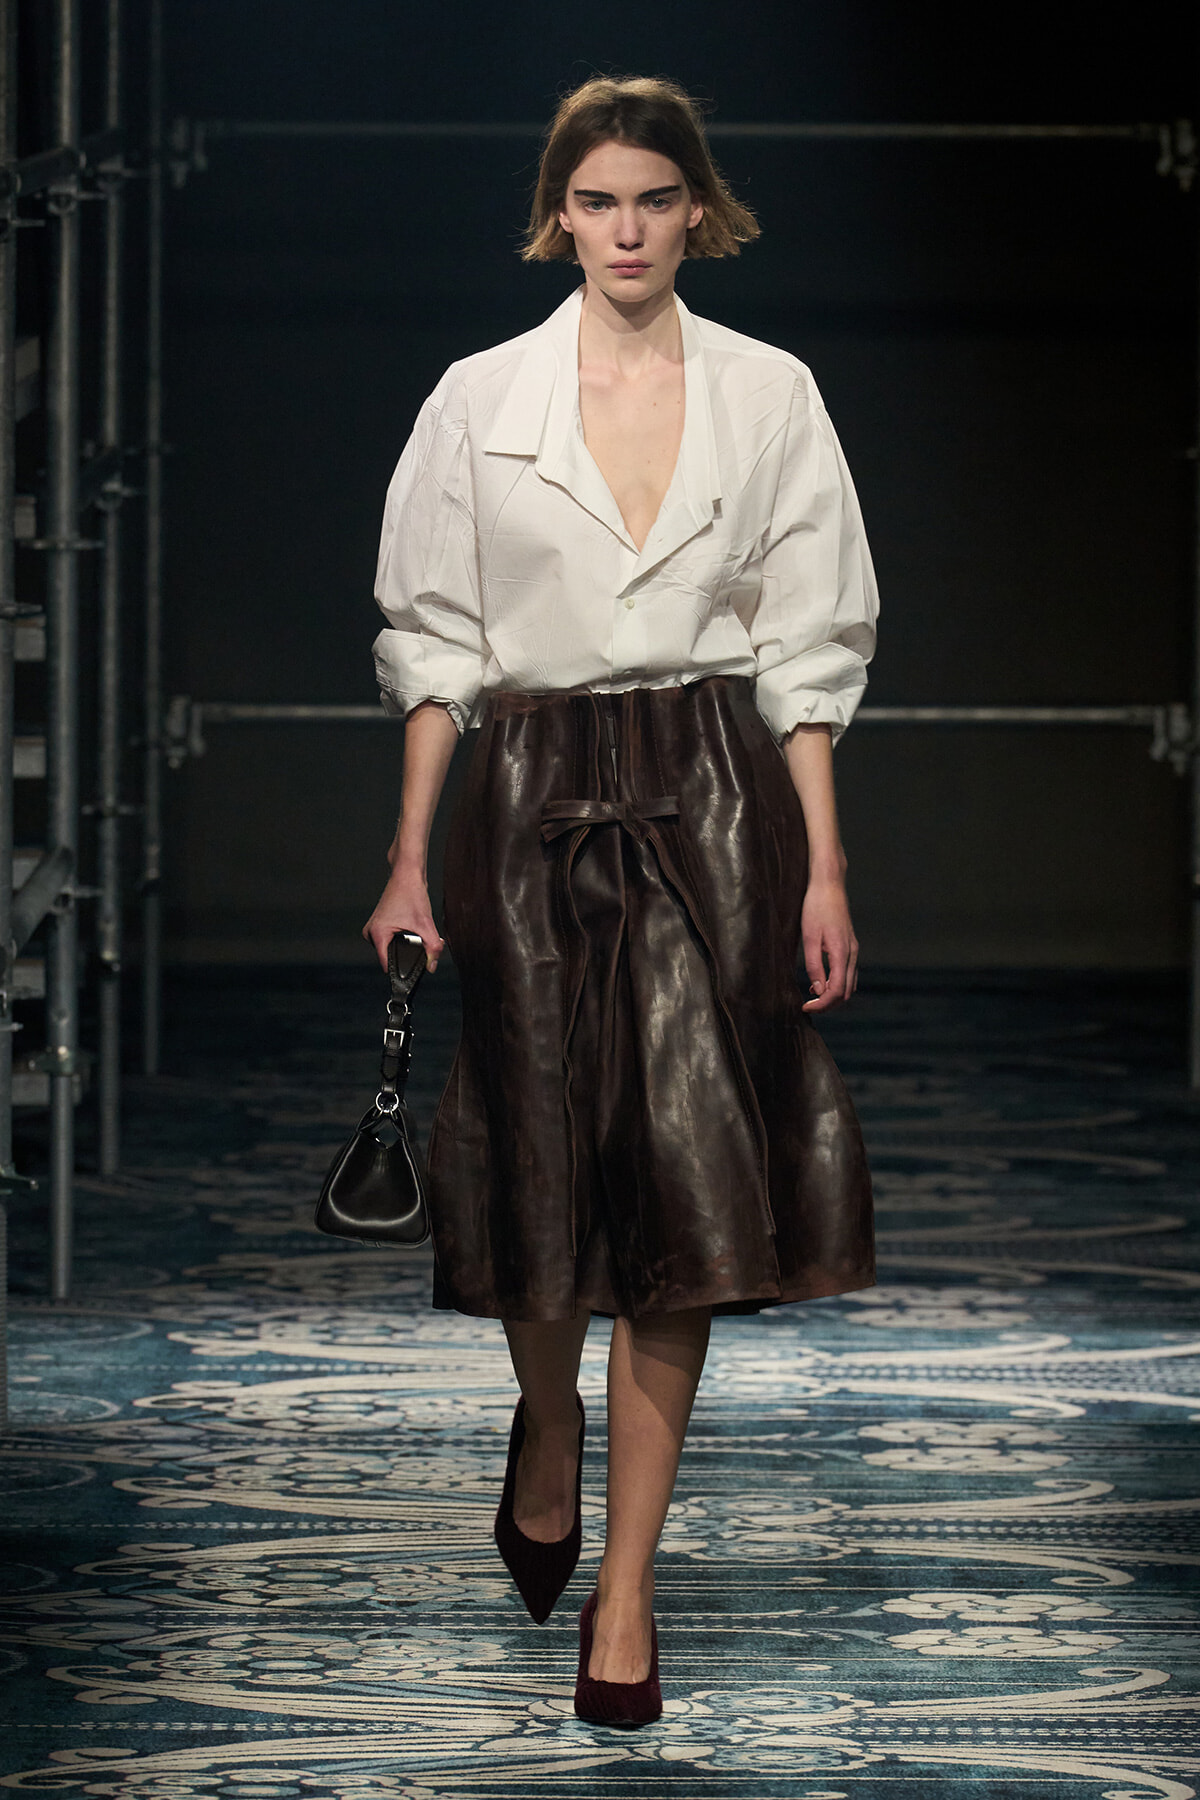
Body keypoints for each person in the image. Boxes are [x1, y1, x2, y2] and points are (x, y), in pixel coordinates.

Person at [363, 73, 878, 1726]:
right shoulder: (477, 397)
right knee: (532, 1161)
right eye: (598, 201)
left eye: (656, 198)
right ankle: (543, 1413)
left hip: (713, 800)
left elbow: (808, 647)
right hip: (520, 802)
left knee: (681, 1195)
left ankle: (628, 1591)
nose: (629, 229)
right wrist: (403, 861)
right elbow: (435, 642)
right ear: (558, 215)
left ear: (699, 209)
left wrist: (828, 866)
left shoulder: (771, 392)